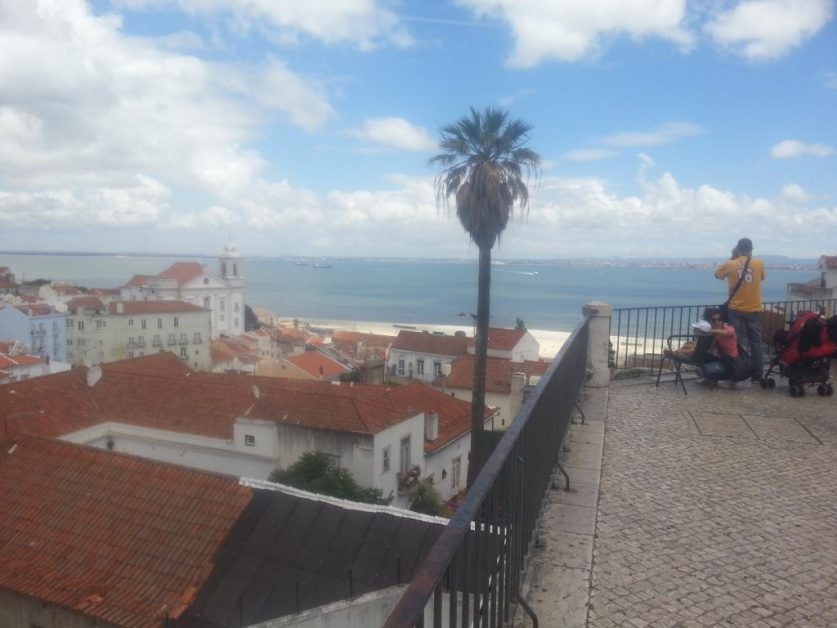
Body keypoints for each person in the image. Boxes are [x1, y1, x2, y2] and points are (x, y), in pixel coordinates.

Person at [714, 237, 765, 382]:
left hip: (735, 309)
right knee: (756, 342)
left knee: (733, 342)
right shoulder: (759, 263)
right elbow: (760, 278)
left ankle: (735, 373)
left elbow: (717, 275)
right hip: (754, 308)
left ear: (737, 248)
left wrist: (733, 257)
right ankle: (757, 375)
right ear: (752, 249)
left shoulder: (730, 264)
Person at [695, 308, 742, 386]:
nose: (717, 322)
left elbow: (726, 333)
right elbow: (710, 350)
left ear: (723, 320)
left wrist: (708, 330)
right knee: (701, 356)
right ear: (709, 321)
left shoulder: (729, 328)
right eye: (714, 320)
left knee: (703, 370)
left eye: (719, 319)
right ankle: (711, 379)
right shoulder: (715, 335)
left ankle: (727, 377)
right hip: (723, 361)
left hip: (732, 364)